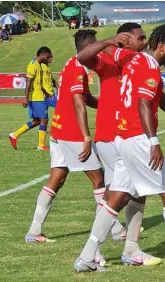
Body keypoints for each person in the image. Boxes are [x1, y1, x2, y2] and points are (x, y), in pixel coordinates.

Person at [74, 24, 165, 274]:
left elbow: (156, 97)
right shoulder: (149, 65)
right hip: (137, 138)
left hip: (122, 137)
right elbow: (143, 104)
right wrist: (154, 143)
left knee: (116, 197)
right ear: (162, 46)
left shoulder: (133, 61)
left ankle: (87, 256)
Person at [25, 30, 104, 248]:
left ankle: (34, 230)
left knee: (57, 179)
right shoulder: (78, 68)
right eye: (96, 46)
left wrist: (107, 104)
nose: (99, 50)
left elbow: (86, 98)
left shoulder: (72, 63)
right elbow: (79, 103)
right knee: (99, 180)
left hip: (59, 131)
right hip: (72, 132)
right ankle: (115, 230)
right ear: (87, 47)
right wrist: (87, 136)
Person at [76, 23, 149, 250]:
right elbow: (83, 57)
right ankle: (93, 251)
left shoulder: (139, 62)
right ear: (125, 38)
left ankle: (130, 247)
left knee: (138, 192)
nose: (144, 42)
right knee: (116, 193)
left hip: (132, 135)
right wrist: (109, 41)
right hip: (109, 135)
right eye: (140, 37)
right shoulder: (107, 60)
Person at [8, 47, 53, 151]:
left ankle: (14, 135)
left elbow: (39, 82)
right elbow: (28, 82)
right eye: (48, 56)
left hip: (41, 96)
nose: (49, 58)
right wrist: (26, 99)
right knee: (44, 119)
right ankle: (41, 146)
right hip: (36, 97)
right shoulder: (33, 64)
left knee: (37, 121)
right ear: (42, 55)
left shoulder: (39, 65)